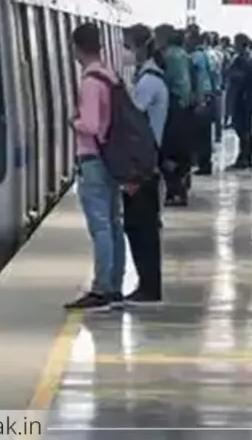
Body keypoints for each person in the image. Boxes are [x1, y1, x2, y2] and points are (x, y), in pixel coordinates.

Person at [65, 22, 125, 312]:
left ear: (77, 48)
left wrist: (72, 122)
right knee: (114, 224)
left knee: (100, 226)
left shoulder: (90, 82)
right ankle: (115, 285)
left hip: (93, 159)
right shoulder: (109, 75)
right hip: (111, 158)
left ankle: (101, 289)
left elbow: (89, 125)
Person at [120, 24, 169, 305]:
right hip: (148, 161)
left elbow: (133, 118)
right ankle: (147, 285)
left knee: (142, 228)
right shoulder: (150, 76)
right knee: (141, 226)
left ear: (139, 47)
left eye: (127, 46)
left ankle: (149, 287)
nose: (125, 52)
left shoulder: (148, 81)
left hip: (143, 164)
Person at [154, 25, 194, 206]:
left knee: (168, 151)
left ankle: (175, 190)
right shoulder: (184, 54)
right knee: (181, 149)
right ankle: (182, 185)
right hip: (184, 105)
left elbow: (163, 79)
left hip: (172, 105)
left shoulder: (168, 56)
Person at [225, 33, 252, 170]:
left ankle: (245, 158)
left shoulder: (246, 59)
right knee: (243, 129)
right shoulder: (246, 57)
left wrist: (235, 76)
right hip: (243, 98)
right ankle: (244, 157)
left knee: (243, 129)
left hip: (244, 98)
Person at [188, 29, 219, 176]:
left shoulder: (195, 57)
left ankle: (204, 164)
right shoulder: (207, 55)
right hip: (209, 95)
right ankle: (205, 163)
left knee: (201, 133)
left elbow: (198, 78)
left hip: (202, 96)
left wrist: (199, 99)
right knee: (205, 133)